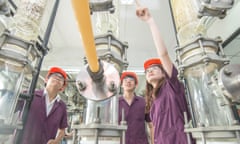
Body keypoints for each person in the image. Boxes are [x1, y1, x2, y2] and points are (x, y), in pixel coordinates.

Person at [136, 6, 195, 144]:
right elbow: (155, 128)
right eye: (147, 71)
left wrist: (150, 21)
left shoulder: (172, 86)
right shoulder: (152, 99)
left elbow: (163, 54)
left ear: (164, 73)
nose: (149, 71)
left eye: (155, 68)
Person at [20, 67, 69, 144]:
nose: (58, 78)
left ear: (62, 87)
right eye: (54, 75)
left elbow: (62, 129)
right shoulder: (30, 95)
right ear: (46, 80)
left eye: (61, 78)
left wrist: (56, 141)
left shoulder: (62, 106)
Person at [118, 71, 153, 144]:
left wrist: (153, 142)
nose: (128, 82)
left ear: (136, 85)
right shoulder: (115, 103)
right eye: (125, 80)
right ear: (121, 85)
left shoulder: (143, 102)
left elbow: (151, 125)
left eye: (131, 80)